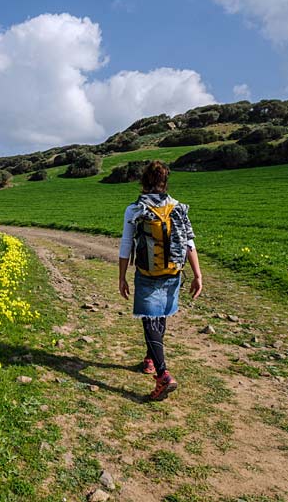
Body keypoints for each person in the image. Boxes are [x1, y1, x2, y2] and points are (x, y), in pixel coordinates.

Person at [118, 160, 203, 401]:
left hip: (147, 274)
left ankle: (163, 375)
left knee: (149, 320)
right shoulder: (178, 208)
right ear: (165, 182)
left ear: (143, 182)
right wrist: (198, 275)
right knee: (161, 314)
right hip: (173, 271)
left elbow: (126, 245)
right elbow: (189, 243)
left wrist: (122, 276)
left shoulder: (135, 209)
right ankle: (150, 360)